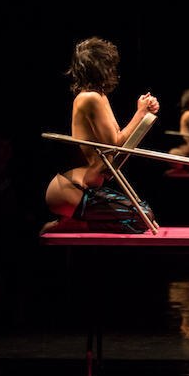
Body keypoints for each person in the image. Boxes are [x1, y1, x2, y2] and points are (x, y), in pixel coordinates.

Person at [42, 37, 159, 234]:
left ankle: (75, 223)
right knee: (143, 217)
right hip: (72, 189)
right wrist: (140, 114)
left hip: (85, 189)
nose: (113, 70)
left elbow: (116, 150)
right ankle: (71, 224)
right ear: (98, 68)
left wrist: (144, 115)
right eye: (109, 66)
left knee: (144, 219)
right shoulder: (90, 98)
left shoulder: (99, 96)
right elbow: (114, 145)